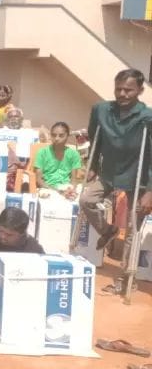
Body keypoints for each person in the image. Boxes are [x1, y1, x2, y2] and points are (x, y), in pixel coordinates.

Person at [80, 69, 152, 256]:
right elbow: (94, 137)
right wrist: (93, 166)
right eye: (118, 89)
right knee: (86, 200)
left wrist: (150, 191)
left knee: (133, 222)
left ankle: (127, 271)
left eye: (128, 90)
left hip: (137, 176)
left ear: (140, 90)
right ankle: (108, 230)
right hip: (109, 172)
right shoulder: (101, 110)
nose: (122, 94)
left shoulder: (148, 117)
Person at [34, 122, 83, 200]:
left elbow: (73, 180)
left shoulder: (74, 154)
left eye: (61, 135)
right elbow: (39, 180)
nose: (56, 138)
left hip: (66, 187)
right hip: (47, 188)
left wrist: (71, 190)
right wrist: (58, 191)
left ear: (67, 136)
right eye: (53, 135)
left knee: (80, 197)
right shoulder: (42, 153)